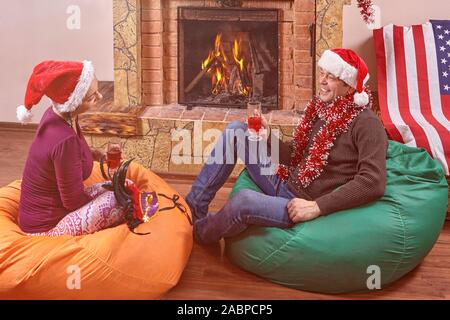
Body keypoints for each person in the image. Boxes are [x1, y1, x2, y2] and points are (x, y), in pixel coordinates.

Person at [186, 48, 388, 244]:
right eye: (322, 73)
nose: (322, 81)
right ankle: (192, 209)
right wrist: (268, 138)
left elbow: (373, 182)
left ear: (350, 87)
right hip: (284, 182)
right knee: (236, 130)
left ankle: (196, 233)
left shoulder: (367, 123)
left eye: (331, 77)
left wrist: (317, 206)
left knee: (242, 200)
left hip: (299, 204)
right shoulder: (323, 109)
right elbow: (295, 155)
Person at [17, 60, 126, 236]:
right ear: (73, 102)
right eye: (91, 96)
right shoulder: (64, 139)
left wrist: (96, 154)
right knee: (122, 197)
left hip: (48, 210)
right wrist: (99, 200)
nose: (100, 97)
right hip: (47, 225)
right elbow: (73, 201)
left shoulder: (62, 116)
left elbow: (68, 158)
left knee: (123, 185)